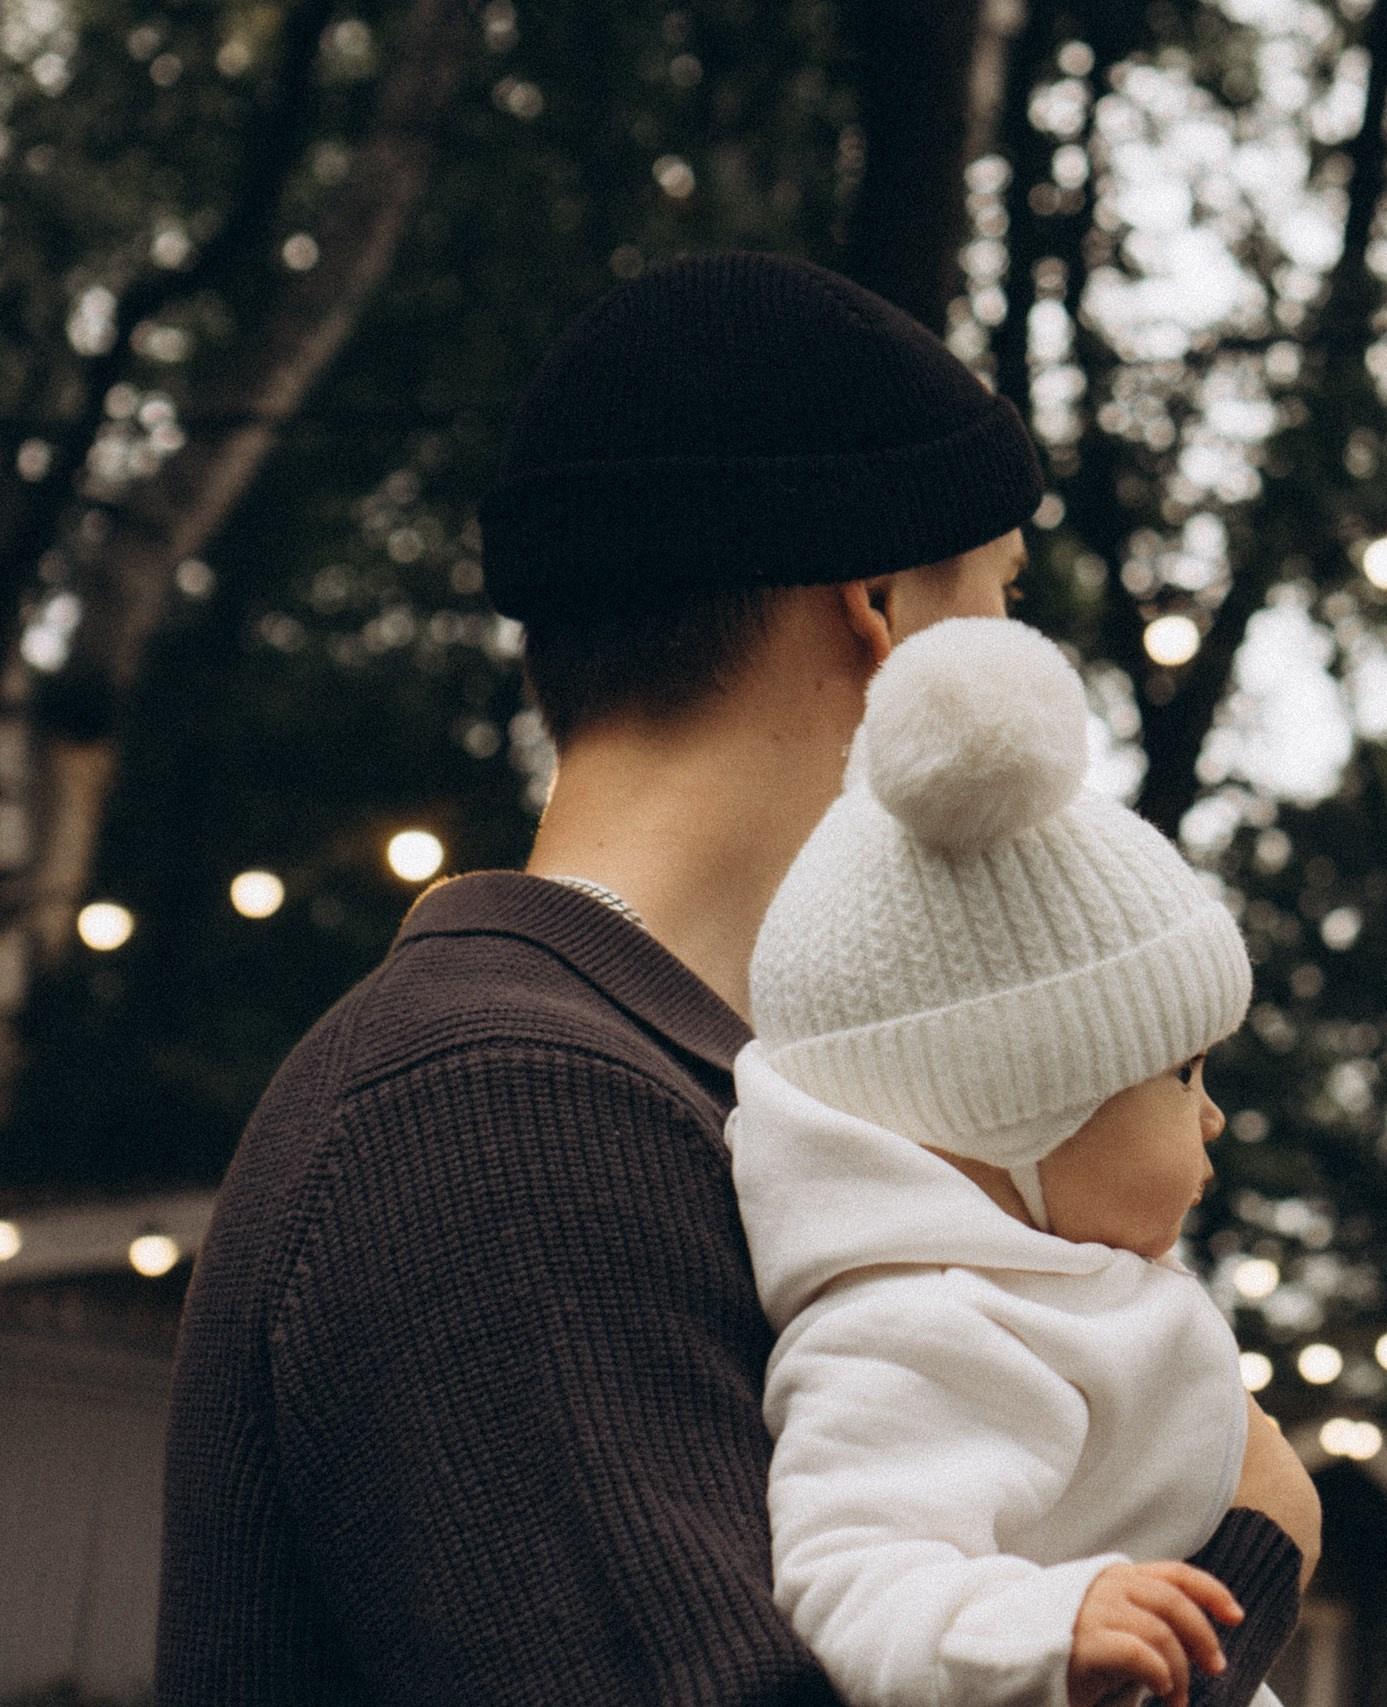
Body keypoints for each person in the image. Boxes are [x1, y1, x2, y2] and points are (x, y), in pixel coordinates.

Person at [156, 252, 1317, 1706]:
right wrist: (1246, 1546)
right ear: (882, 604)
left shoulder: (692, 1108)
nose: (1024, 647)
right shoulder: (500, 1110)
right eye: (1006, 592)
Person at [733, 615, 1291, 1707]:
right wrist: (1042, 1623)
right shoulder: (919, 1325)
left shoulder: (1037, 1287)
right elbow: (849, 1575)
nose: (1214, 1118)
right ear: (1014, 1113)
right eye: (1183, 1073)